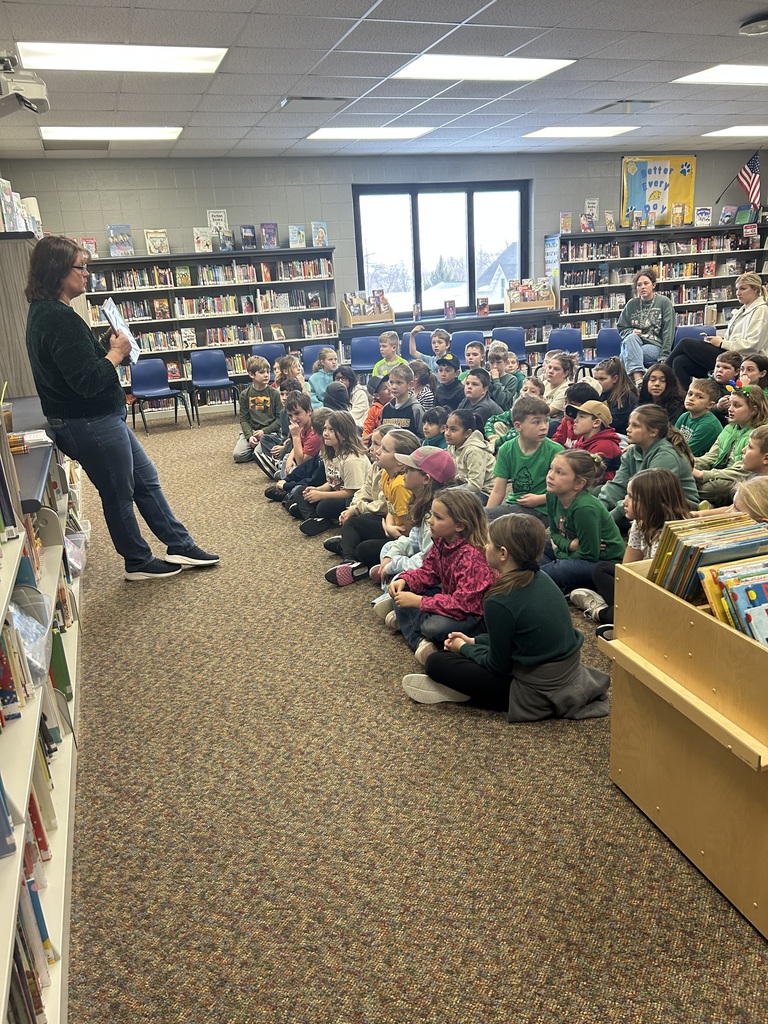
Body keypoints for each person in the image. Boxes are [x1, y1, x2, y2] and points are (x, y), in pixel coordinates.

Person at [24, 235, 219, 580]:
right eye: (80, 268)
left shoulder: (50, 313)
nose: (86, 274)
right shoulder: (58, 318)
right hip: (89, 422)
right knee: (119, 492)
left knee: (146, 479)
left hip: (98, 420)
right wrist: (115, 354)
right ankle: (137, 561)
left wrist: (106, 345)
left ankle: (179, 543)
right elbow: (86, 381)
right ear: (57, 271)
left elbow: (73, 365)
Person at [401, 513, 610, 719]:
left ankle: (466, 694)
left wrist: (463, 647)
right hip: (563, 669)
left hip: (535, 689)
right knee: (464, 648)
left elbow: (497, 665)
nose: (485, 547)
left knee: (437, 662)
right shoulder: (541, 577)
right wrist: (474, 640)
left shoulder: (499, 600)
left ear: (503, 553)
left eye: (489, 543)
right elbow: (516, 639)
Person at [388, 488, 495, 666]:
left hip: (473, 616)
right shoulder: (440, 541)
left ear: (459, 525)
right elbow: (428, 572)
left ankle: (413, 629)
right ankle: (415, 628)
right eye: (431, 514)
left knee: (434, 627)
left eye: (438, 517)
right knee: (400, 583)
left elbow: (464, 605)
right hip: (449, 600)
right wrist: (405, 579)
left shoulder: (473, 557)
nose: (429, 521)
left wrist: (418, 602)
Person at [571, 469, 693, 626]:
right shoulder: (640, 522)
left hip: (662, 596)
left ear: (653, 503)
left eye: (632, 497)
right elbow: (626, 571)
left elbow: (660, 590)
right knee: (601, 570)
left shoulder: (671, 537)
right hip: (640, 584)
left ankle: (601, 612)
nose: (624, 502)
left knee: (645, 613)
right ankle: (621, 612)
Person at [324, 428, 419, 585]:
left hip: (404, 536)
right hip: (392, 527)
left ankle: (350, 551)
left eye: (383, 448)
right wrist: (388, 525)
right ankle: (350, 560)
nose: (376, 451)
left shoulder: (401, 485)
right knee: (354, 521)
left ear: (400, 460)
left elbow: (409, 531)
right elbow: (390, 508)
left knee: (364, 549)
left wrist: (390, 530)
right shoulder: (385, 474)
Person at [370, 447, 457, 606]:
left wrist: (393, 565)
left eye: (410, 469)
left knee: (399, 575)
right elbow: (413, 539)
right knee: (388, 548)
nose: (403, 472)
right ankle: (390, 584)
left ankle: (391, 592)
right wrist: (392, 557)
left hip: (435, 573)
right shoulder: (421, 502)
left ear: (426, 479)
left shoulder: (436, 515)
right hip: (423, 556)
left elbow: (427, 561)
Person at [597, 404, 699, 523]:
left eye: (635, 426)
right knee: (598, 492)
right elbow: (618, 484)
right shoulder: (634, 451)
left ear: (653, 432)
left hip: (674, 510)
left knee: (615, 518)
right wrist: (599, 508)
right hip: (641, 502)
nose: (628, 429)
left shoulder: (666, 456)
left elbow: (648, 495)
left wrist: (606, 520)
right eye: (629, 424)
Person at [540, 450, 625, 591]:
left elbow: (589, 554)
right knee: (535, 547)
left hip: (603, 563)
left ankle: (561, 581)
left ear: (579, 484)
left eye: (559, 472)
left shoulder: (584, 508)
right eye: (551, 469)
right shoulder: (552, 495)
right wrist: (569, 546)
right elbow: (554, 532)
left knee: (558, 570)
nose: (550, 476)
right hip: (574, 551)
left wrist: (559, 552)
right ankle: (564, 583)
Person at [668, 273, 768, 389]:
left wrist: (721, 343)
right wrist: (720, 340)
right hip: (730, 354)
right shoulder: (742, 310)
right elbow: (734, 338)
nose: (738, 293)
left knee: (685, 343)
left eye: (743, 289)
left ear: (755, 289)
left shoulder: (761, 310)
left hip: (743, 360)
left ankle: (659, 373)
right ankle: (683, 401)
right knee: (680, 362)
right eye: (737, 289)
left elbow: (752, 345)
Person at [288, 411, 369, 534]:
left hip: (353, 497)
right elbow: (332, 482)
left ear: (344, 433)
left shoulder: (352, 459)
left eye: (331, 430)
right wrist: (318, 489)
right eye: (325, 429)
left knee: (324, 506)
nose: (325, 433)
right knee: (301, 491)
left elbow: (352, 492)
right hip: (337, 491)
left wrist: (321, 495)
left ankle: (314, 515)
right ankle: (315, 518)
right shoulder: (329, 452)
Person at [486, 396, 564, 522]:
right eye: (537, 422)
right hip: (514, 503)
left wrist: (540, 499)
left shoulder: (556, 451)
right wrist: (487, 515)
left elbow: (565, 491)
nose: (544, 427)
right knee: (482, 518)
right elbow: (498, 491)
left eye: (546, 421)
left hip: (542, 509)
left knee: (501, 522)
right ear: (518, 426)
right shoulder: (506, 449)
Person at [693, 385, 768, 505]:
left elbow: (743, 471)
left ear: (753, 410)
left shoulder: (758, 434)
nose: (730, 409)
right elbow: (711, 456)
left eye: (737, 406)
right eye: (730, 404)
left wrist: (704, 475)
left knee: (706, 488)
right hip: (720, 472)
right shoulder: (729, 428)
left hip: (739, 478)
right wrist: (691, 463)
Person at [617, 267, 676, 384]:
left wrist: (664, 355)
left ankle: (632, 385)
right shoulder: (631, 304)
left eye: (646, 283)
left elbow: (668, 331)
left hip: (654, 346)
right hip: (635, 342)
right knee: (630, 339)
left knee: (624, 355)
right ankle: (639, 381)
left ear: (653, 285)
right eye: (639, 285)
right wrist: (631, 332)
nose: (642, 287)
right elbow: (622, 327)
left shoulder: (664, 302)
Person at [233, 354, 282, 464]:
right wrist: (250, 436)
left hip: (270, 432)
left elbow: (279, 419)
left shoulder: (275, 393)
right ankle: (259, 451)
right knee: (238, 455)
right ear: (251, 374)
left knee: (258, 453)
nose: (266, 375)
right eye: (261, 372)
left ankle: (259, 451)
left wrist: (264, 431)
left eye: (267, 372)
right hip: (253, 431)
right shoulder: (244, 395)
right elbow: (244, 419)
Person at [444, 408, 495, 501]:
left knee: (452, 504)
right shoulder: (452, 446)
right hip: (462, 487)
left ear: (467, 433)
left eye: (453, 430)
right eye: (446, 428)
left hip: (484, 492)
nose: (447, 433)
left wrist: (450, 492)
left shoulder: (474, 451)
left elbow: (475, 486)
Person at [565, 400, 622, 480]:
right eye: (576, 416)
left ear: (596, 423)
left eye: (581, 417)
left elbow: (588, 476)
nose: (575, 420)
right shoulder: (584, 439)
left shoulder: (604, 445)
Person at [675, 378, 723, 458]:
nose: (691, 398)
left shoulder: (708, 425)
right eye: (690, 394)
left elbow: (686, 452)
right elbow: (671, 439)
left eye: (699, 397)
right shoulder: (684, 416)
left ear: (710, 405)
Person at [592, 356, 638, 436]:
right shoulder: (602, 392)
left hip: (622, 435)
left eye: (602, 379)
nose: (598, 382)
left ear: (615, 379)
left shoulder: (625, 397)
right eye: (595, 379)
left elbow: (611, 423)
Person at [379, 363, 424, 436]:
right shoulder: (386, 409)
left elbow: (423, 436)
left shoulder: (416, 409)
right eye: (391, 382)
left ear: (410, 385)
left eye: (398, 383)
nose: (393, 387)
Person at [542, 350, 578, 423]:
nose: (550, 371)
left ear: (565, 373)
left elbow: (548, 412)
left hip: (555, 423)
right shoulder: (544, 383)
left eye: (556, 369)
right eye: (549, 367)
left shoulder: (567, 389)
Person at [487, 344, 519, 410]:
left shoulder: (512, 380)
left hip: (503, 414)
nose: (495, 366)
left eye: (499, 362)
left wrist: (496, 379)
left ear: (506, 362)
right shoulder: (487, 378)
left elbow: (501, 401)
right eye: (492, 363)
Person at [361, 375, 391, 442]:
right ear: (377, 396)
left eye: (389, 385)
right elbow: (367, 428)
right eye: (385, 388)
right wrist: (365, 444)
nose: (390, 389)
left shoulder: (395, 403)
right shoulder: (373, 410)